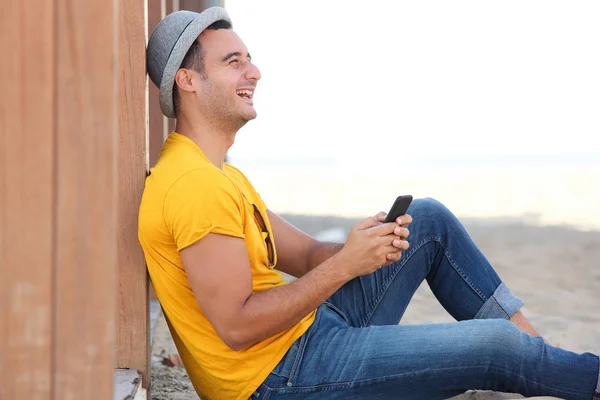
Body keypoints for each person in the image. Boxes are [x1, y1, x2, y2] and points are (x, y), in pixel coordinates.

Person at [139, 6, 600, 400]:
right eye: (233, 61)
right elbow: (236, 328)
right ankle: (569, 370)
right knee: (496, 345)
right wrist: (344, 268)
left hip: (305, 337)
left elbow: (307, 255)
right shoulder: (194, 185)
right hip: (276, 379)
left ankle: (538, 357)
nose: (253, 72)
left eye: (250, 59)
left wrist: (365, 244)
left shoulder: (220, 174)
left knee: (428, 221)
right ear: (188, 80)